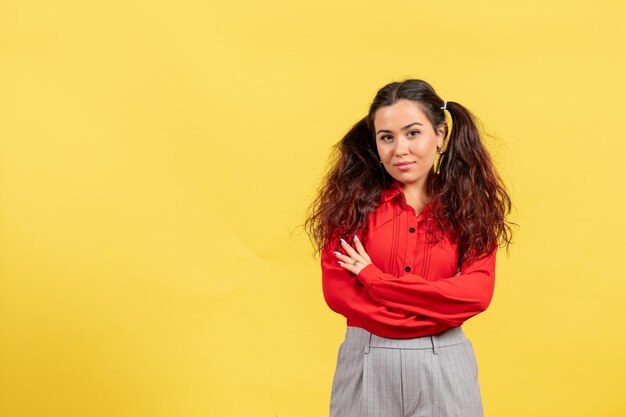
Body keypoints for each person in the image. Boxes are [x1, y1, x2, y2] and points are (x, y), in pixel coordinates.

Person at [304, 79, 514, 417]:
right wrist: (431, 313)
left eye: (413, 133)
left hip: (444, 360)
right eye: (386, 137)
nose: (399, 149)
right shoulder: (350, 208)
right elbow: (339, 294)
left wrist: (374, 279)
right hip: (367, 361)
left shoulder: (470, 209)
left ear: (441, 135)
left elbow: (475, 294)